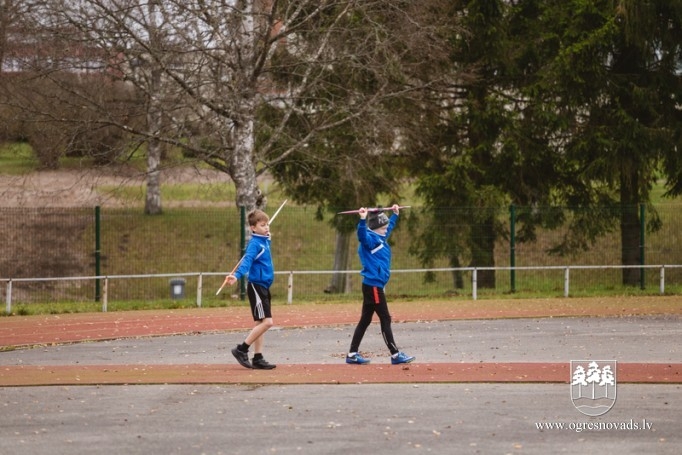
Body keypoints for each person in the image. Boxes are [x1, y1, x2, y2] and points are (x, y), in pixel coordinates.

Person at [346, 204, 415, 365]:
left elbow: (388, 228)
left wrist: (395, 215)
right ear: (375, 227)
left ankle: (352, 354)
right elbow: (361, 235)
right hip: (374, 287)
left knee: (365, 320)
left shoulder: (379, 237)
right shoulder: (368, 239)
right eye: (382, 227)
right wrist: (362, 220)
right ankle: (395, 354)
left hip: (373, 286)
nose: (386, 229)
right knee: (385, 318)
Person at [224, 209, 277, 370]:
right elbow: (246, 261)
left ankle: (258, 357)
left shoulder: (264, 241)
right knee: (268, 322)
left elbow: (265, 242)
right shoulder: (255, 244)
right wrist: (237, 275)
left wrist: (267, 237)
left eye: (267, 224)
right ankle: (241, 349)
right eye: (262, 225)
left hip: (264, 286)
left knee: (259, 323)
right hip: (256, 286)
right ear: (253, 228)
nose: (267, 227)